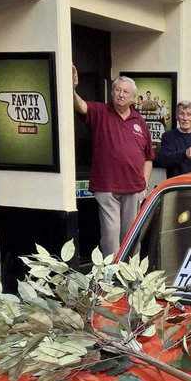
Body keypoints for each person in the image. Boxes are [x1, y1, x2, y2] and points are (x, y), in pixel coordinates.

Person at [73, 68, 154, 257]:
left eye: (125, 92)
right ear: (112, 92)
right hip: (107, 187)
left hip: (134, 188)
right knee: (111, 234)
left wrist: (144, 185)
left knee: (132, 235)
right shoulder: (100, 111)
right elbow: (81, 106)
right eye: (117, 90)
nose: (120, 95)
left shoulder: (139, 121)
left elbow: (148, 157)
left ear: (133, 98)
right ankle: (110, 279)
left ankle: (132, 277)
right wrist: (73, 89)